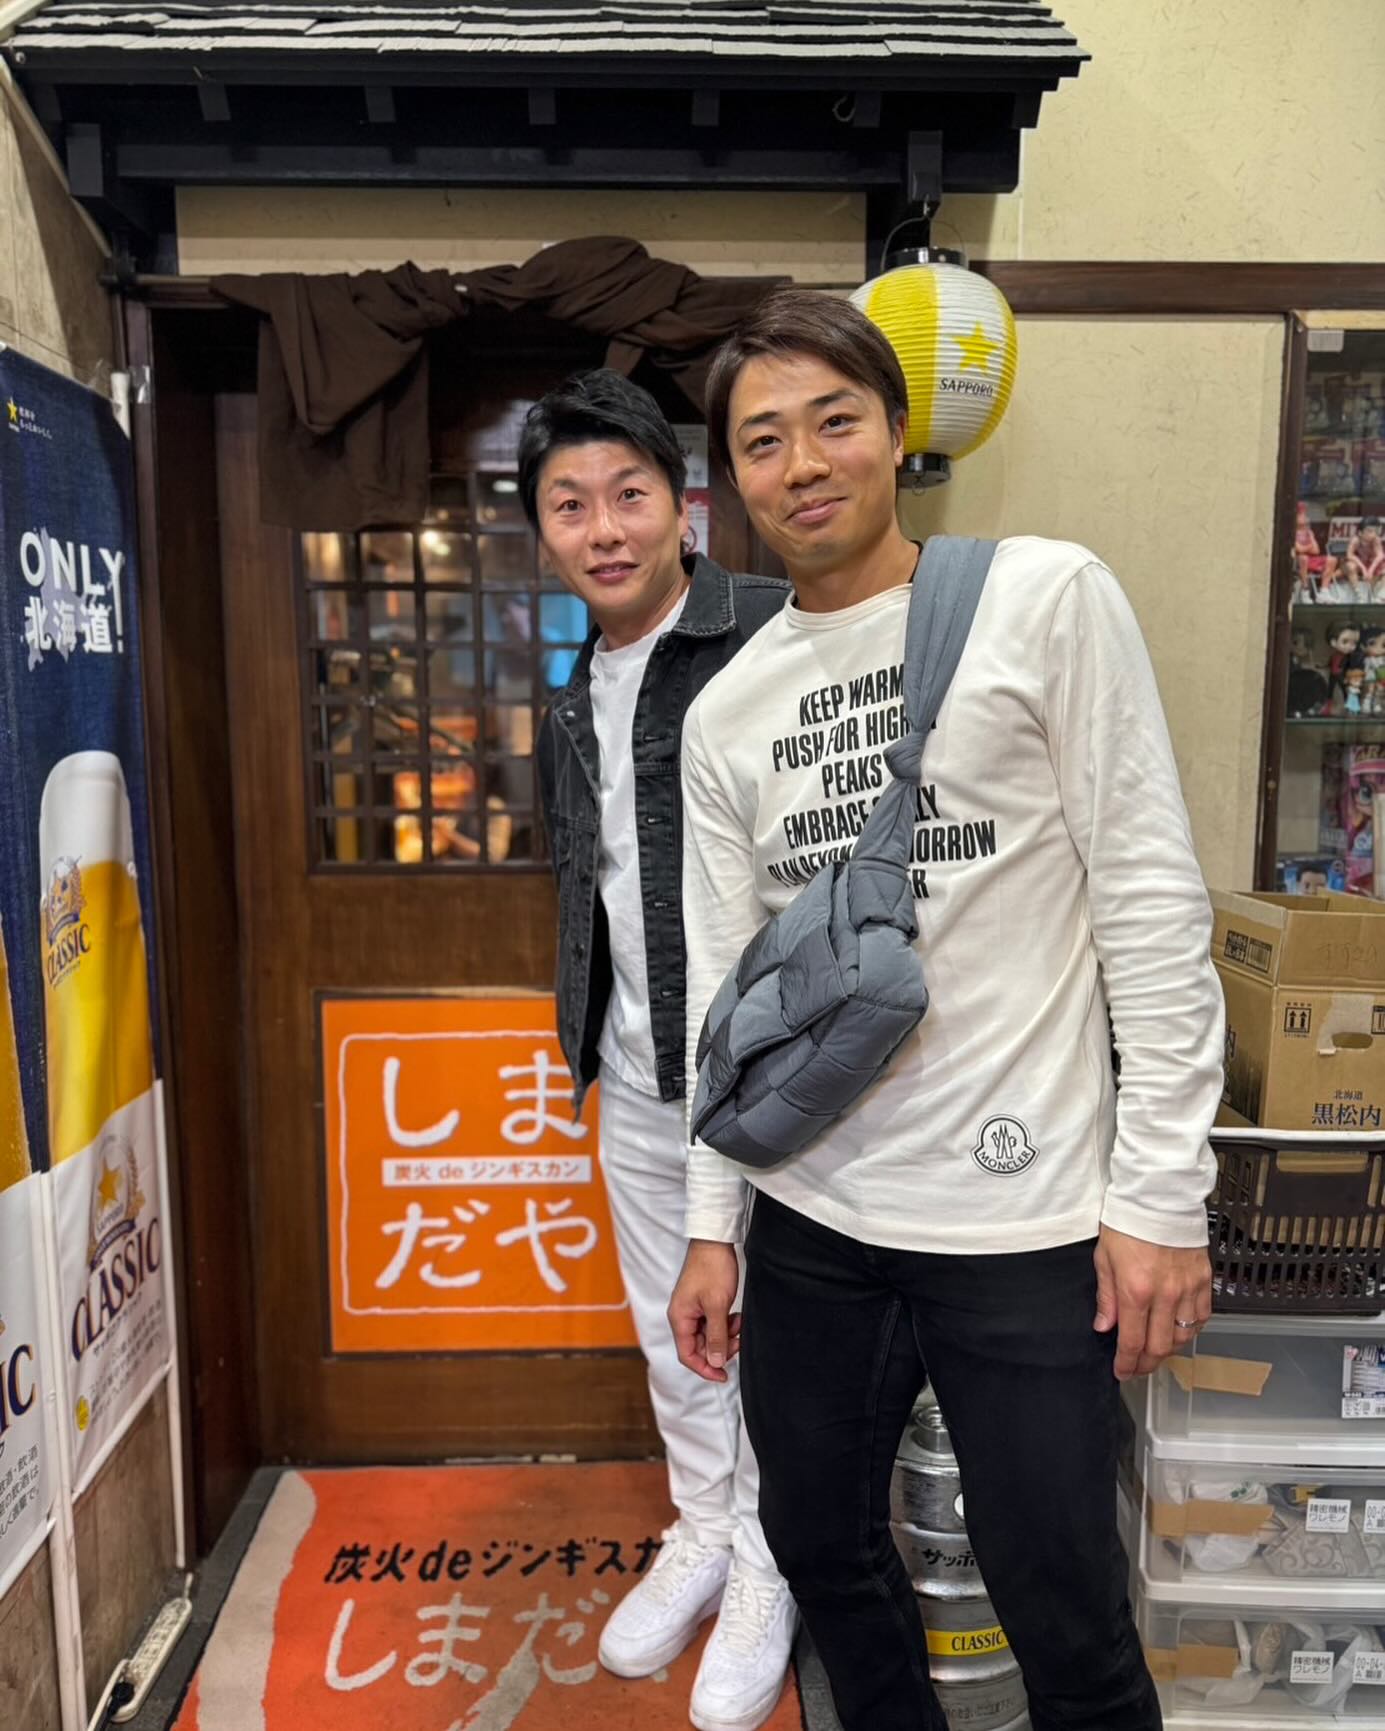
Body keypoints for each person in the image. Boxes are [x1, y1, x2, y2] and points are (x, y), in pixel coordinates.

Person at [668, 291, 1226, 1731]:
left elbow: (1149, 901)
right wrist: (713, 1227)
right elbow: (730, 1003)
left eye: (833, 421)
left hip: (1023, 1220)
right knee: (820, 1548)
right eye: (762, 441)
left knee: (1062, 1603)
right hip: (814, 1214)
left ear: (898, 431)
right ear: (731, 478)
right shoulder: (725, 712)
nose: (802, 464)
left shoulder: (1043, 598)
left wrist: (1162, 1192)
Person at [526, 369, 796, 1731]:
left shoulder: (771, 631)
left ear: (683, 506)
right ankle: (705, 1528)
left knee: (772, 1329)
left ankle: (771, 1560)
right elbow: (595, 884)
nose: (604, 528)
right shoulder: (573, 689)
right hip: (635, 1076)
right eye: (569, 504)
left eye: (628, 494)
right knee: (669, 1330)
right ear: (542, 532)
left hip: (771, 1078)